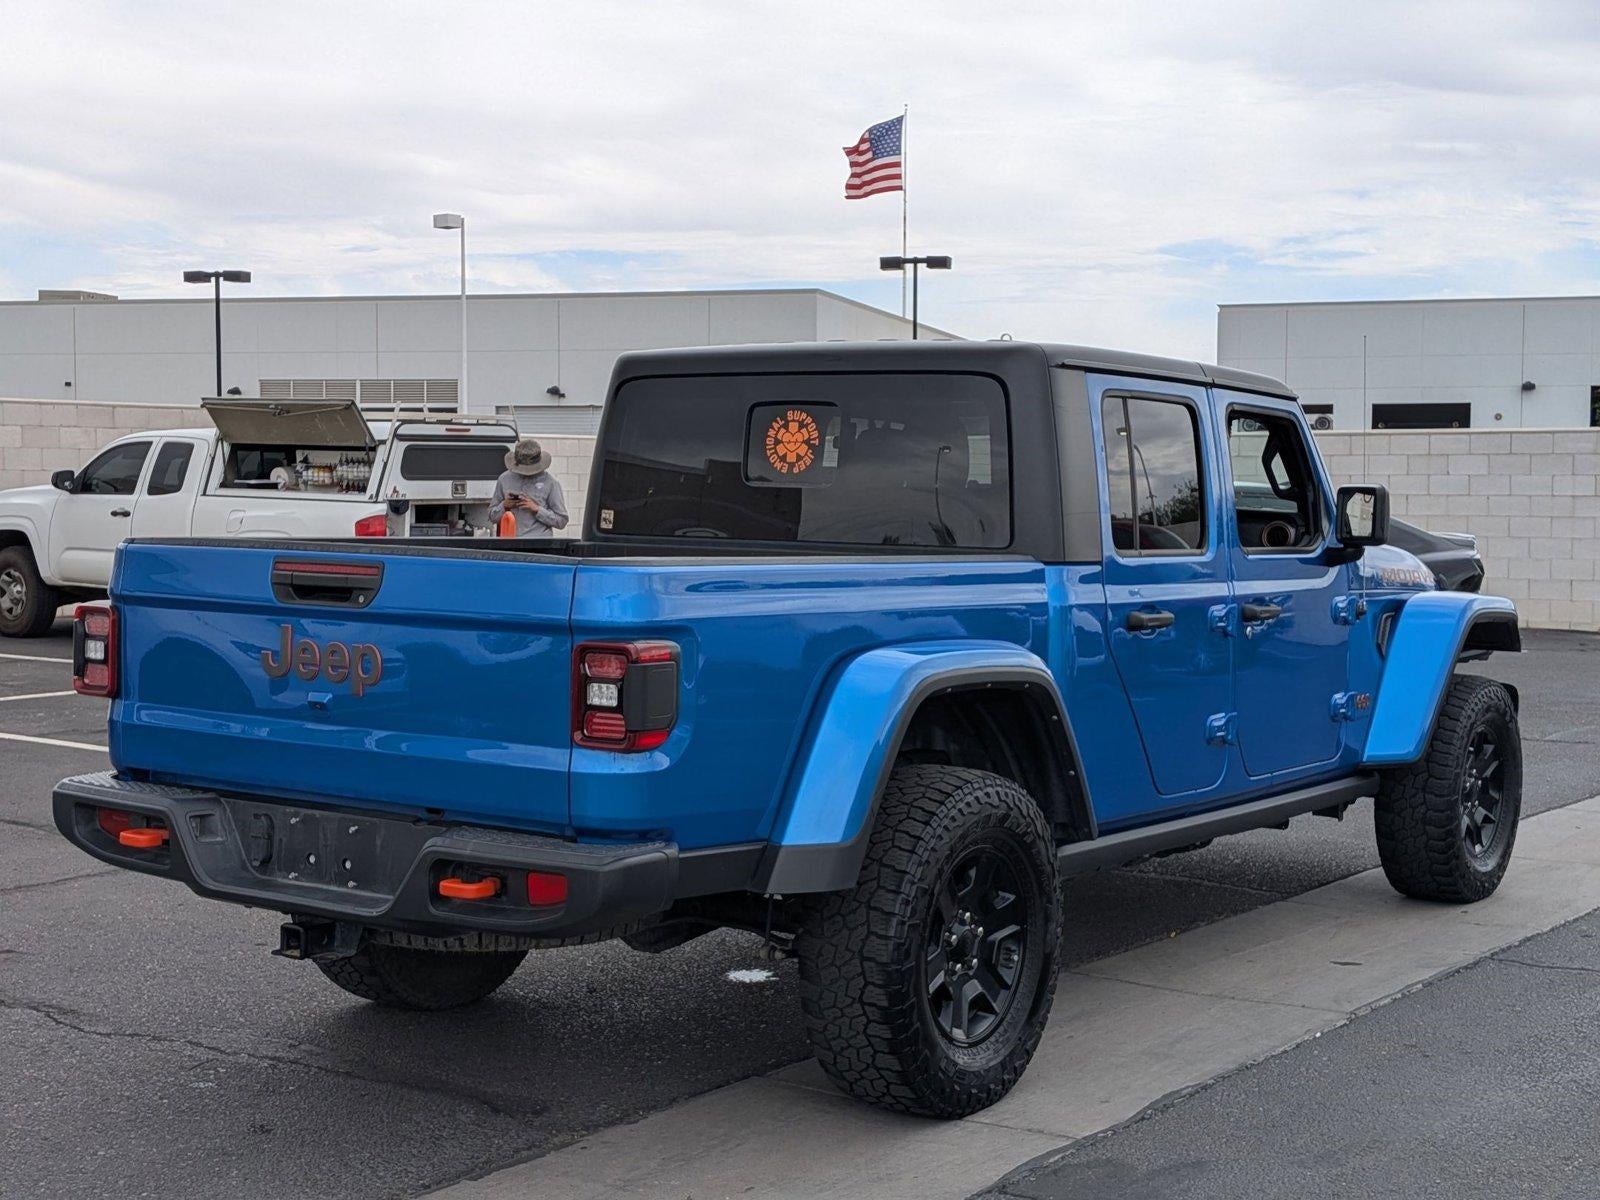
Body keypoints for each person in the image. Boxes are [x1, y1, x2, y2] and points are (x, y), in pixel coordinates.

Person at [489, 438, 569, 538]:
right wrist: (504, 505)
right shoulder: (504, 479)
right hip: (510, 543)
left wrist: (537, 509)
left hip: (539, 544)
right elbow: (492, 517)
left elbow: (562, 520)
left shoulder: (550, 483)